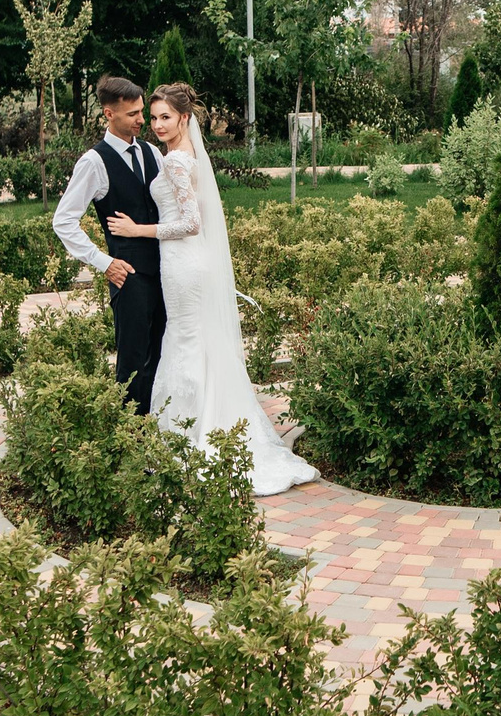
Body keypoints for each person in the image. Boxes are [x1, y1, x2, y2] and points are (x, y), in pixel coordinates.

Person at [103, 82, 318, 497]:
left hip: (183, 262)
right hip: (181, 263)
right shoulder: (180, 156)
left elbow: (190, 223)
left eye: (167, 117)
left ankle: (191, 433)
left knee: (185, 338)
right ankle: (204, 423)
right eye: (154, 117)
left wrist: (137, 230)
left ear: (184, 118)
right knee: (192, 338)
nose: (158, 124)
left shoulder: (176, 164)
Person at [50, 75, 166, 411]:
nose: (142, 120)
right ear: (108, 114)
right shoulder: (94, 162)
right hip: (129, 275)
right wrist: (104, 262)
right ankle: (130, 439)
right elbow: (64, 220)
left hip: (166, 270)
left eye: (142, 111)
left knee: (161, 354)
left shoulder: (152, 153)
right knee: (132, 362)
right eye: (133, 114)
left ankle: (157, 430)